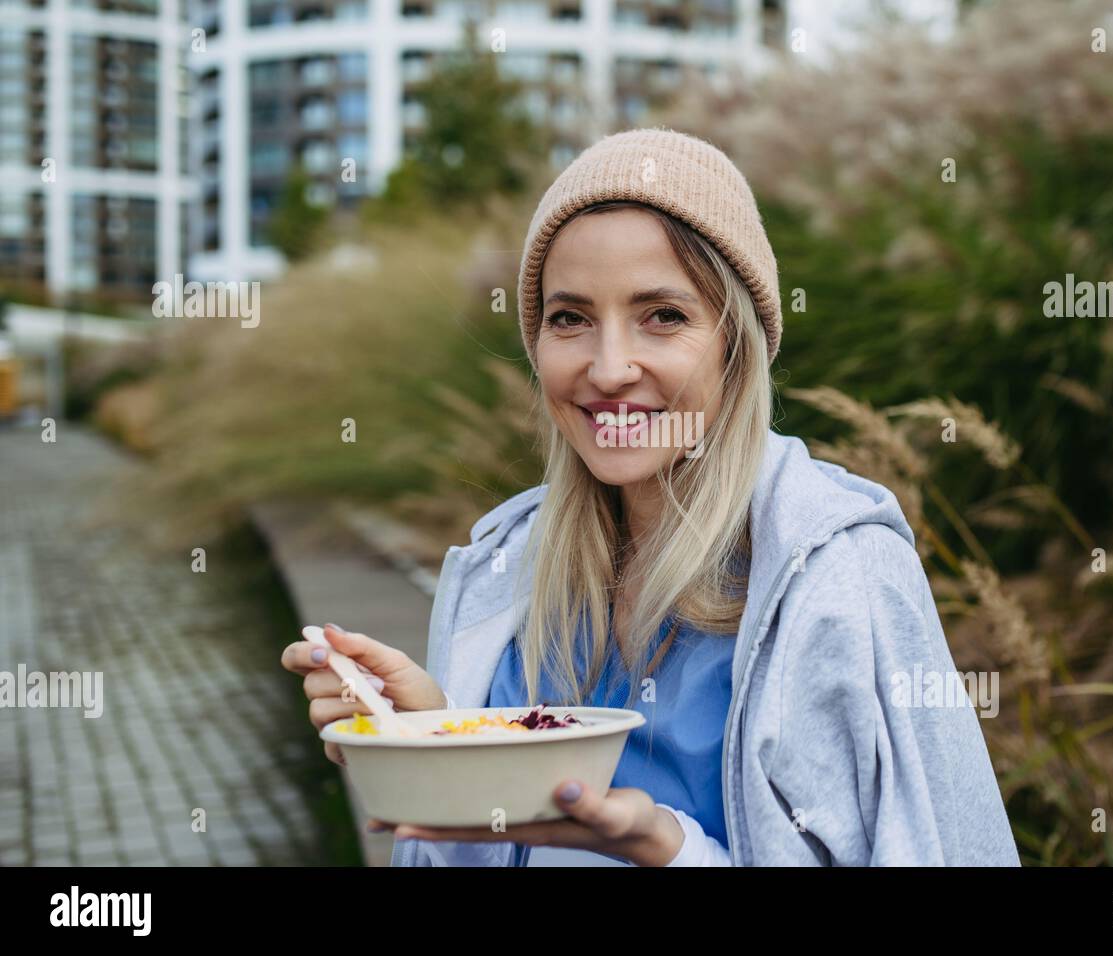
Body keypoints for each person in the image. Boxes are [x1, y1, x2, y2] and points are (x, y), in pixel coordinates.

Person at [281, 127, 1021, 866]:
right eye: (570, 318)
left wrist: (669, 851)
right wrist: (435, 747)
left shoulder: (837, 575)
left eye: (663, 316)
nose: (607, 369)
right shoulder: (505, 568)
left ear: (740, 344)